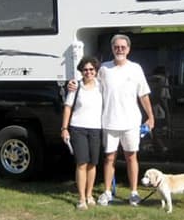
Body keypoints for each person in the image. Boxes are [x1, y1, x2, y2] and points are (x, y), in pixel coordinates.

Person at [69, 34, 155, 206]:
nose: (120, 50)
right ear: (112, 48)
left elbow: (143, 95)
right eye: (116, 47)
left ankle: (133, 193)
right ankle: (107, 192)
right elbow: (88, 80)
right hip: (108, 121)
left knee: (132, 157)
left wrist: (151, 117)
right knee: (109, 158)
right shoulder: (104, 69)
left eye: (123, 47)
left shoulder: (136, 68)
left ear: (128, 49)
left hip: (131, 122)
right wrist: (73, 84)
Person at [61, 56, 103, 210]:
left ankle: (90, 194)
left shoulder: (101, 86)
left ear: (96, 70)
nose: (89, 72)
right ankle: (81, 199)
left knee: (93, 164)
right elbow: (67, 107)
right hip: (78, 128)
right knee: (81, 163)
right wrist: (64, 128)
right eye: (85, 69)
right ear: (81, 71)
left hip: (96, 128)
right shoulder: (75, 87)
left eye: (91, 69)